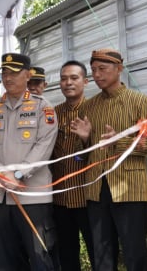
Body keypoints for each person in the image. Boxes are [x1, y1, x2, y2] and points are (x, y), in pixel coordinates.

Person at [72, 48, 147, 271]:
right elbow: (87, 152)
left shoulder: (140, 101)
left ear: (119, 69)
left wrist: (119, 142)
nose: (97, 75)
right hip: (96, 189)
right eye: (93, 70)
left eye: (102, 69)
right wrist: (84, 139)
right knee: (101, 252)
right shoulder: (89, 106)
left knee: (134, 252)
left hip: (130, 189)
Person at [0, 53, 59, 271]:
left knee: (39, 256)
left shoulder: (43, 108)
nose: (8, 77)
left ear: (28, 75)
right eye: (4, 72)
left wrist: (17, 175)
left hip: (33, 196)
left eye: (14, 72)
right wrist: (0, 175)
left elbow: (44, 146)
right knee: (4, 257)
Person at [51, 60, 95, 271]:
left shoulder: (94, 110)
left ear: (85, 81)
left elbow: (105, 152)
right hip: (60, 198)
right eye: (63, 78)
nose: (68, 82)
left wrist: (87, 140)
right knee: (66, 254)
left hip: (88, 197)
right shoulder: (52, 114)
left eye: (74, 78)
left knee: (97, 251)